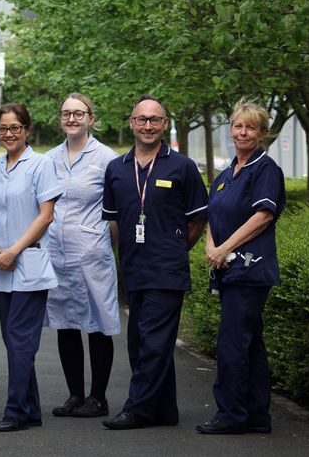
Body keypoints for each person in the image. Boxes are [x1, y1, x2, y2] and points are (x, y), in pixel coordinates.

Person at [101, 95, 208, 430]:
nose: (148, 125)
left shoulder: (183, 167)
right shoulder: (117, 169)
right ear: (131, 123)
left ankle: (138, 409)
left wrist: (174, 247)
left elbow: (197, 220)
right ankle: (164, 409)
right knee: (140, 341)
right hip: (134, 268)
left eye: (155, 119)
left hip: (167, 269)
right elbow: (114, 220)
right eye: (141, 119)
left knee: (154, 340)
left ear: (165, 124)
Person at [196, 101, 285, 435]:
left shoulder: (266, 170)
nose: (242, 132)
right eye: (237, 126)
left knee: (232, 343)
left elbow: (262, 216)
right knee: (250, 342)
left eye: (250, 127)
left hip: (250, 272)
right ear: (230, 129)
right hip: (228, 269)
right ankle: (257, 415)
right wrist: (210, 245)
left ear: (261, 133)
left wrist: (225, 248)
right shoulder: (226, 173)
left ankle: (231, 415)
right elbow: (213, 214)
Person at [0, 103, 62, 432]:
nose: (8, 133)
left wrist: (13, 250)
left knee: (20, 339)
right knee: (14, 341)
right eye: (2, 128)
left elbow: (46, 215)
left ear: (26, 129)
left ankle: (14, 411)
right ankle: (30, 409)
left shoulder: (41, 165)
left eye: (15, 127)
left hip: (28, 265)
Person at [46, 93, 120, 419]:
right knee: (66, 324)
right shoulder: (49, 159)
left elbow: (117, 211)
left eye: (78, 113)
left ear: (91, 117)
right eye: (66, 113)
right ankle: (75, 394)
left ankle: (99, 397)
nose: (72, 119)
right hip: (57, 255)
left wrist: (107, 246)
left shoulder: (107, 160)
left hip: (92, 255)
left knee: (97, 324)